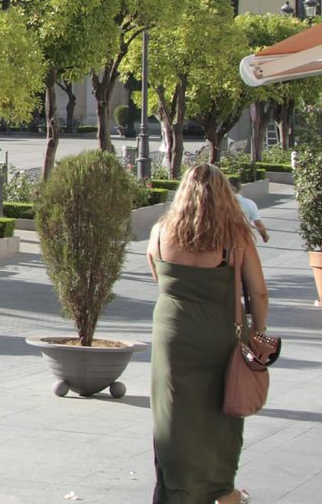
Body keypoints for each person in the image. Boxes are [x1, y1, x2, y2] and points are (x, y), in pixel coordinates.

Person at [147, 163, 271, 504]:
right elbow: (257, 292)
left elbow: (159, 277)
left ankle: (178, 489)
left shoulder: (160, 231)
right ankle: (221, 490)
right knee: (220, 413)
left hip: (172, 334)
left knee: (174, 413)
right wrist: (258, 331)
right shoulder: (235, 237)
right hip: (221, 336)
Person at [227, 178, 270, 243]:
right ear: (240, 189)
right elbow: (259, 225)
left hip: (223, 242)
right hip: (243, 241)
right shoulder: (249, 203)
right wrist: (265, 236)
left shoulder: (218, 203)